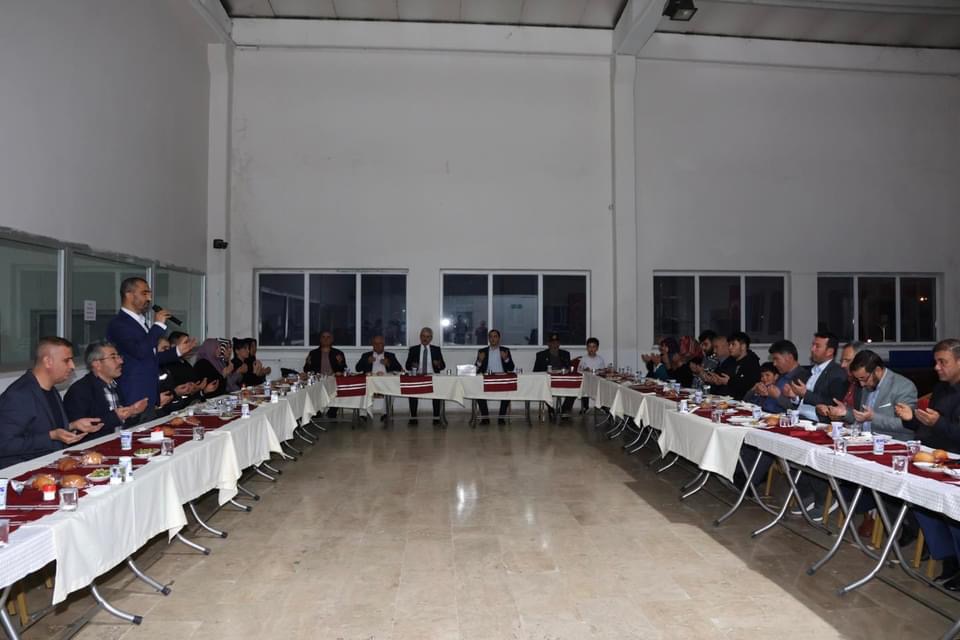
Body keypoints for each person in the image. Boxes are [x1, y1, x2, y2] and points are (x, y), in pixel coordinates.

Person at [894, 339, 960, 588]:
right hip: (932, 457)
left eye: (943, 362)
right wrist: (911, 418)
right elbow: (928, 425)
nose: (936, 367)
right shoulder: (941, 388)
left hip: (955, 460)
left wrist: (937, 423)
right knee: (922, 505)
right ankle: (948, 559)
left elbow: (944, 427)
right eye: (936, 362)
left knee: (952, 512)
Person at [0, 337, 104, 468]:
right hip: (21, 470)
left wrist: (72, 426)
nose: (72, 366)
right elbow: (4, 444)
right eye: (66, 360)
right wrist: (51, 436)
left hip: (52, 463)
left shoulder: (51, 389)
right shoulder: (19, 395)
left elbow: (38, 428)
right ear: (48, 362)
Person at [106, 277, 196, 420]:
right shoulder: (119, 324)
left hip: (149, 394)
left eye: (149, 294)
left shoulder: (141, 322)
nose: (149, 298)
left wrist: (177, 351)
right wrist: (158, 325)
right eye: (144, 293)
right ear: (129, 295)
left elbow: (150, 357)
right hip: (134, 395)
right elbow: (140, 352)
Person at [63, 340, 150, 432]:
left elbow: (123, 425)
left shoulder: (115, 385)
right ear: (97, 364)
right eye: (113, 357)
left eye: (119, 356)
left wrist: (132, 412)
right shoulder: (79, 391)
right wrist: (116, 417)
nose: (121, 361)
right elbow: (79, 430)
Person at [785, 332, 848, 422]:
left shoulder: (837, 373)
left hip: (816, 421)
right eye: (813, 345)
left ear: (829, 351)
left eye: (817, 346)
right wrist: (794, 396)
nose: (812, 349)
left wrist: (805, 394)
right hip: (798, 417)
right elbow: (801, 402)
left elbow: (834, 403)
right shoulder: (809, 371)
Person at [405, 327, 445, 426]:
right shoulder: (414, 349)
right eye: (423, 336)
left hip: (433, 376)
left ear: (431, 338)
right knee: (412, 393)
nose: (425, 339)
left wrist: (438, 364)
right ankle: (413, 417)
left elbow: (443, 366)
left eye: (427, 337)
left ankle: (436, 418)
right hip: (418, 376)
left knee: (437, 394)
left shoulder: (436, 349)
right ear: (420, 337)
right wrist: (412, 365)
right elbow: (407, 366)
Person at [475, 329, 515, 425]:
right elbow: (476, 369)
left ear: (499, 338)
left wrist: (506, 359)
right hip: (487, 379)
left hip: (502, 379)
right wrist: (479, 361)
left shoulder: (505, 350)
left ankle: (501, 418)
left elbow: (511, 368)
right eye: (491, 337)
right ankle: (485, 418)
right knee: (477, 392)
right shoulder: (482, 351)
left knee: (508, 392)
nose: (493, 339)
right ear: (488, 339)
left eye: (495, 336)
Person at [533, 332, 575, 419]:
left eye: (556, 343)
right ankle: (551, 409)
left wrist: (567, 370)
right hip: (548, 381)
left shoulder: (565, 354)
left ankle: (564, 409)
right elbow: (535, 371)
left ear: (559, 344)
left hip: (562, 380)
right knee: (544, 388)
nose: (554, 345)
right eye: (552, 343)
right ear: (548, 344)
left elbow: (569, 368)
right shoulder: (541, 355)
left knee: (575, 388)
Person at [720, 332, 761, 401]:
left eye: (733, 344)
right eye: (729, 345)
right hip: (725, 397)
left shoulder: (752, 362)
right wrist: (716, 379)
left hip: (742, 401)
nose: (730, 347)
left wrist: (729, 382)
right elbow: (721, 374)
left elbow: (748, 385)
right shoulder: (730, 360)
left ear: (743, 346)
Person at [578, 337, 606, 412]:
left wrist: (599, 371)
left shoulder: (600, 359)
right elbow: (579, 370)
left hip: (597, 381)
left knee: (603, 386)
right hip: (587, 381)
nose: (591, 349)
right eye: (589, 347)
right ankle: (585, 406)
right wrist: (585, 370)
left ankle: (602, 405)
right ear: (587, 348)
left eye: (594, 347)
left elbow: (603, 371)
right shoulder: (584, 359)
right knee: (583, 386)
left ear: (597, 348)